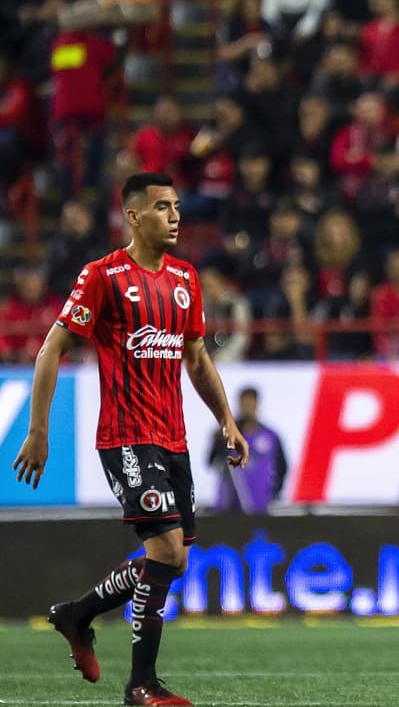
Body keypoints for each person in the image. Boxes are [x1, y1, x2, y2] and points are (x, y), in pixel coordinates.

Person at [11, 172, 250, 707]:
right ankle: (142, 686)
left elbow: (196, 357)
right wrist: (38, 429)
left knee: (175, 560)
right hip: (125, 436)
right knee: (163, 549)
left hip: (175, 439)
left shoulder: (187, 278)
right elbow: (52, 348)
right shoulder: (103, 276)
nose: (176, 216)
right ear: (135, 216)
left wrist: (227, 421)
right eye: (163, 207)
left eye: (178, 206)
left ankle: (77, 615)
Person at [207, 387, 286, 514]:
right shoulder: (226, 435)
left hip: (259, 506)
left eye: (251, 404)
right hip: (228, 506)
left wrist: (273, 492)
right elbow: (211, 462)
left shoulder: (270, 436)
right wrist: (216, 441)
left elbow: (282, 467)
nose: (247, 409)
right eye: (244, 404)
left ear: (257, 405)